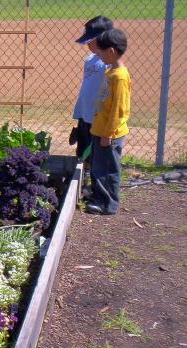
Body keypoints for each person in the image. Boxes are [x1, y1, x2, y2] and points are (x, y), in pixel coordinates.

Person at [86, 28, 131, 215]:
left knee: (108, 169)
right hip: (100, 129)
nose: (99, 55)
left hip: (109, 133)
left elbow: (118, 111)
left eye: (101, 51)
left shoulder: (119, 77)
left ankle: (108, 204)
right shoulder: (111, 71)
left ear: (111, 51)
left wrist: (108, 134)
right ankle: (98, 196)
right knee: (98, 166)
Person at [71, 16, 114, 161]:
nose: (88, 44)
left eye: (91, 40)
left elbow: (108, 92)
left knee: (97, 155)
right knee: (83, 153)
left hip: (98, 117)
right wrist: (79, 111)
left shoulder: (108, 63)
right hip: (85, 115)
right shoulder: (90, 59)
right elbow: (86, 88)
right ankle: (84, 177)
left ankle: (95, 179)